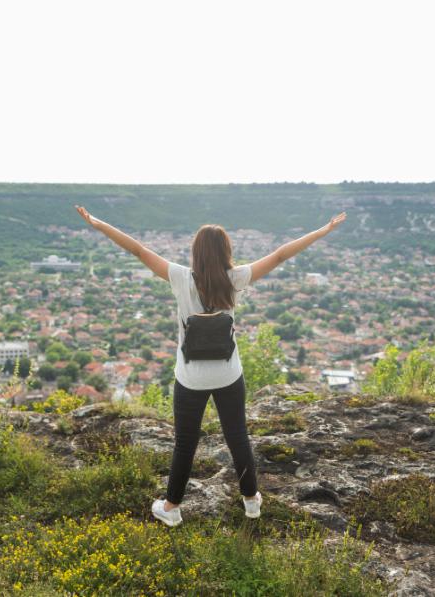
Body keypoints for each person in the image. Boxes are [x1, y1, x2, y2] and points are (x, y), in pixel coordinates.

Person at [74, 205, 346, 527]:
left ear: (196, 252)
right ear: (226, 251)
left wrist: (97, 223)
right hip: (229, 374)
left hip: (190, 377)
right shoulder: (236, 278)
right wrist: (322, 231)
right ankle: (251, 501)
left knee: (185, 444)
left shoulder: (180, 277)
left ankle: (172, 507)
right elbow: (279, 255)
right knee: (238, 437)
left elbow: (137, 249)